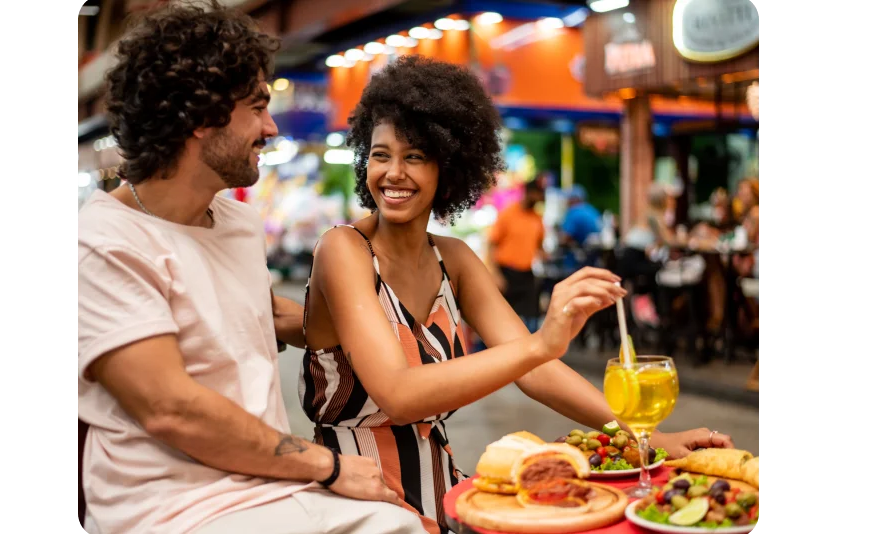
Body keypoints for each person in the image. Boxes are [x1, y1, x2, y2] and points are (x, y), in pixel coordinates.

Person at [298, 55, 736, 534]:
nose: (393, 173)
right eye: (381, 155)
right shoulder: (343, 249)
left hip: (449, 498)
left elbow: (538, 370)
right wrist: (539, 342)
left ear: (450, 166)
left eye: (415, 156)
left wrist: (650, 437)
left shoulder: (454, 258)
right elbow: (399, 395)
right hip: (355, 504)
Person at [75, 3, 425, 534]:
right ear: (200, 115)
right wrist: (328, 466)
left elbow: (252, 315)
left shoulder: (235, 221)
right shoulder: (104, 243)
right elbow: (171, 408)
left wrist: (373, 307)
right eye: (257, 106)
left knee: (414, 521)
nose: (271, 125)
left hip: (265, 488)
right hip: (170, 513)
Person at [489, 179, 547, 332]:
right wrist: (495, 274)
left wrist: (545, 255)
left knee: (531, 319)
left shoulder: (537, 219)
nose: (537, 201)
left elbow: (539, 246)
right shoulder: (508, 214)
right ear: (528, 193)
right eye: (536, 196)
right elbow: (491, 244)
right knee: (501, 321)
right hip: (506, 273)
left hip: (526, 273)